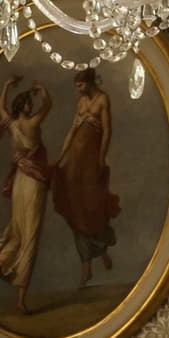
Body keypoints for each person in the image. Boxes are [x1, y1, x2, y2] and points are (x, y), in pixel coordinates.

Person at [0, 79, 53, 305]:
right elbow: (48, 106)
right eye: (29, 102)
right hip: (33, 182)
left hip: (20, 180)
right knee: (30, 237)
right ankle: (21, 299)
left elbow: (1, 108)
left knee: (17, 230)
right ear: (25, 106)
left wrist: (7, 85)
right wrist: (43, 90)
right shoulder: (32, 124)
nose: (31, 105)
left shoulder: (11, 125)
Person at [52, 68, 122, 287]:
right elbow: (71, 133)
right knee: (76, 206)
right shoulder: (81, 104)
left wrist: (101, 158)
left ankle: (102, 251)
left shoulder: (102, 100)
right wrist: (60, 158)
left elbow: (108, 131)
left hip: (91, 160)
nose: (79, 89)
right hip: (75, 160)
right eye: (77, 86)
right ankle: (86, 265)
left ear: (89, 82)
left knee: (93, 205)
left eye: (81, 85)